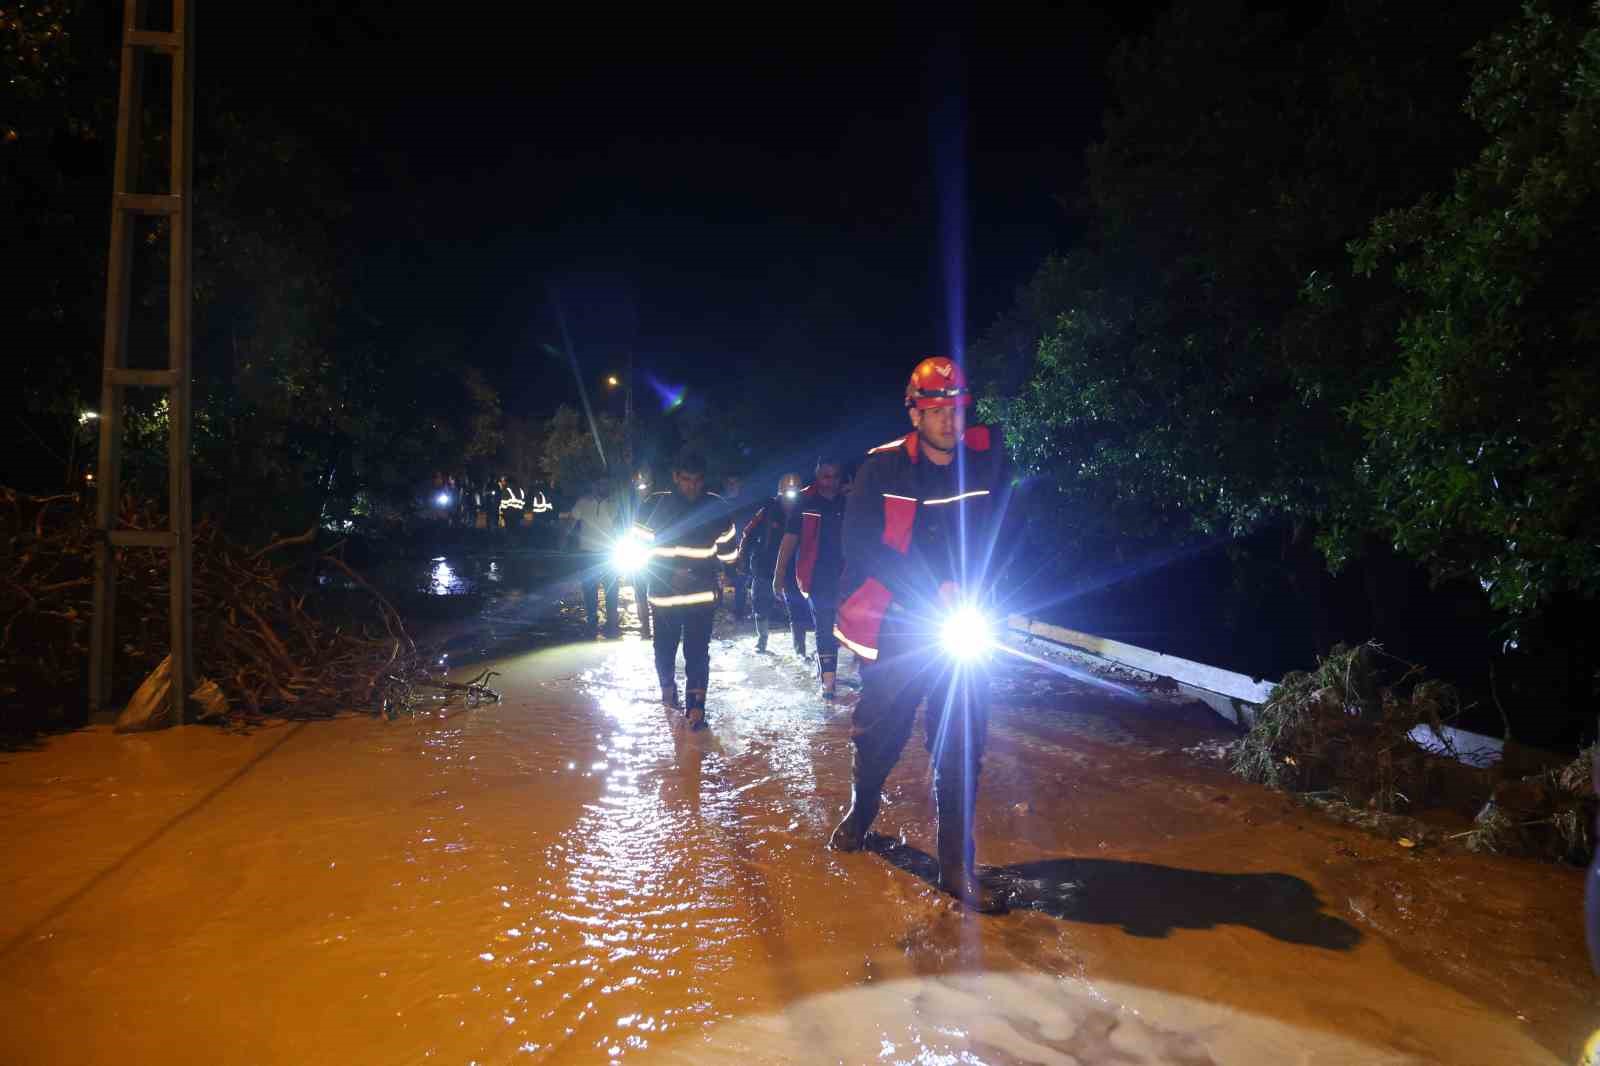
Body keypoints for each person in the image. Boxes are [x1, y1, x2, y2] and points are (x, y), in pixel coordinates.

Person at [829, 356, 1019, 913]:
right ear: (913, 412)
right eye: (934, 409)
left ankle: (956, 863)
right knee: (880, 732)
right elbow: (861, 547)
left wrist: (993, 586)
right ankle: (863, 810)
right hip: (900, 623)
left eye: (955, 408)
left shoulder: (988, 461)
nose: (947, 420)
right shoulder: (881, 469)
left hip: (965, 623)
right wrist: (932, 588)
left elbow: (1011, 528)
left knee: (962, 739)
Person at [635, 450, 737, 729]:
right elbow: (639, 553)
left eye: (696, 480)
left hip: (697, 597)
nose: (691, 486)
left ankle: (695, 708)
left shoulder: (716, 508)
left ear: (703, 480)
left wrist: (729, 576)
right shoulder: (651, 507)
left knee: (696, 651)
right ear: (675, 477)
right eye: (686, 480)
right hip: (667, 595)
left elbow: (729, 554)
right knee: (665, 648)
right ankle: (669, 693)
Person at [771, 457, 848, 697]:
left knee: (844, 624)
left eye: (835, 477)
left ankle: (829, 668)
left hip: (846, 574)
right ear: (817, 475)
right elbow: (789, 540)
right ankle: (828, 683)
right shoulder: (805, 502)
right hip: (815, 575)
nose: (831, 482)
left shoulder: (847, 501)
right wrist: (779, 574)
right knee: (824, 625)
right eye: (826, 476)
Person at [738, 472, 810, 655]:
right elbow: (747, 534)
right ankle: (762, 640)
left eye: (795, 493)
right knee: (761, 603)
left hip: (793, 565)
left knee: (796, 607)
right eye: (787, 493)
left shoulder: (806, 511)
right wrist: (742, 561)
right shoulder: (768, 511)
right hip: (765, 565)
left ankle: (799, 649)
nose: (791, 498)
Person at [566, 474, 622, 637]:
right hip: (587, 555)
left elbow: (621, 526)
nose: (603, 487)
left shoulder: (615, 504)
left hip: (608, 554)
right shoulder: (583, 503)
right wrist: (564, 540)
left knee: (611, 589)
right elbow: (571, 522)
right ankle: (592, 621)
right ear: (593, 485)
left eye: (606, 484)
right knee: (589, 590)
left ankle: (611, 622)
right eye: (600, 484)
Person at [720, 474, 756, 619]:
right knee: (720, 577)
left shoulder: (745, 504)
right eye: (729, 483)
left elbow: (748, 525)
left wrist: (745, 546)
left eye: (735, 482)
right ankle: (717, 606)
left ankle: (739, 611)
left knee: (740, 579)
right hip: (723, 546)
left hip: (740, 545)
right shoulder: (720, 503)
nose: (732, 486)